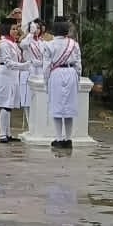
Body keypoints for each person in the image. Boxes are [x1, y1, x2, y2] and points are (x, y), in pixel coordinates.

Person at [44, 20, 83, 149]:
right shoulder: (74, 44)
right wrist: (77, 77)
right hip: (71, 72)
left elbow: (46, 66)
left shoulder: (49, 45)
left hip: (56, 73)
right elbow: (78, 63)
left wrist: (46, 81)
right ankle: (68, 139)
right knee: (69, 108)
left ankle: (59, 138)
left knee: (56, 107)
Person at [0, 20, 29, 143]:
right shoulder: (4, 44)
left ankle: (8, 133)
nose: (15, 31)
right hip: (5, 74)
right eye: (12, 29)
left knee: (9, 105)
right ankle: (2, 134)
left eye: (16, 29)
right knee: (5, 104)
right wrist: (24, 66)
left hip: (13, 75)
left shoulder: (13, 43)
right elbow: (8, 62)